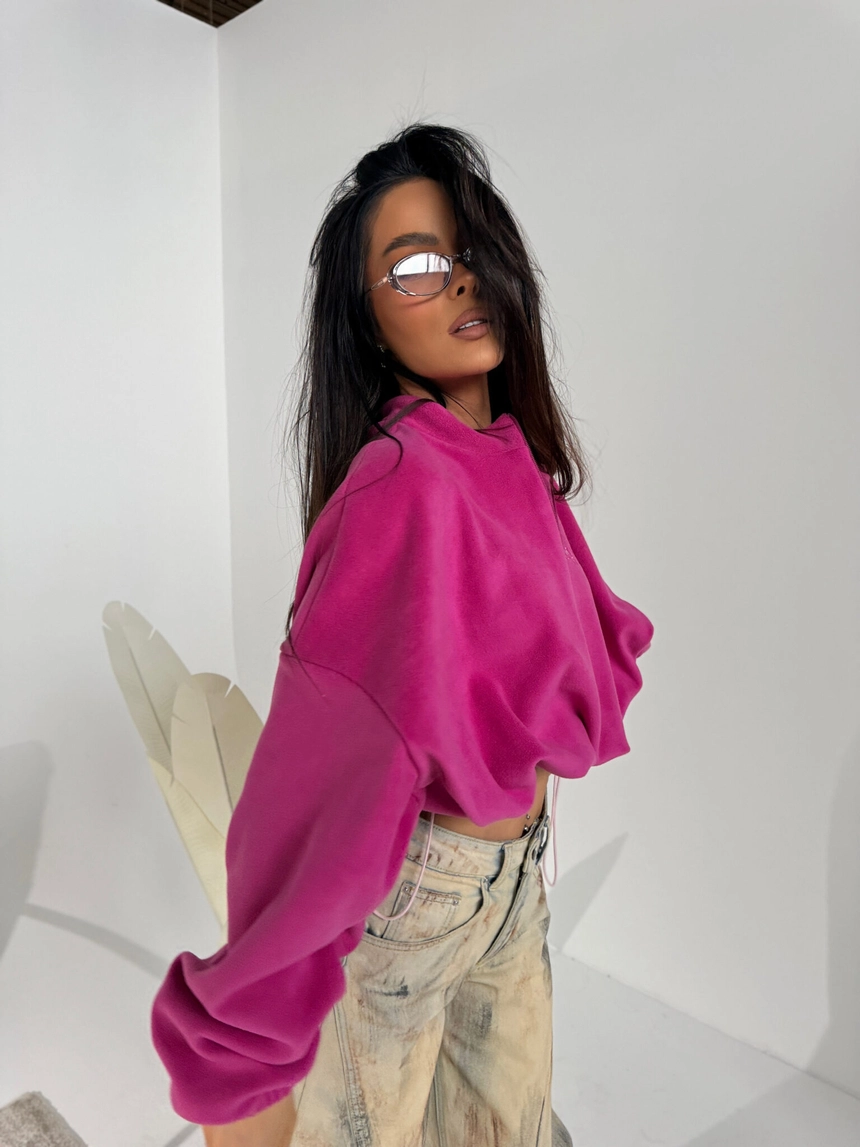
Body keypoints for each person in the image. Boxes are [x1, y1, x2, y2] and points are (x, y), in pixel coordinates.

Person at [150, 122, 654, 1146]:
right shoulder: (400, 483)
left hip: (513, 891)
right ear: (371, 324)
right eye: (416, 266)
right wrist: (241, 1040)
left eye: (470, 250)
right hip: (423, 901)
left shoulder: (509, 461)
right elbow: (319, 770)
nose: (459, 279)